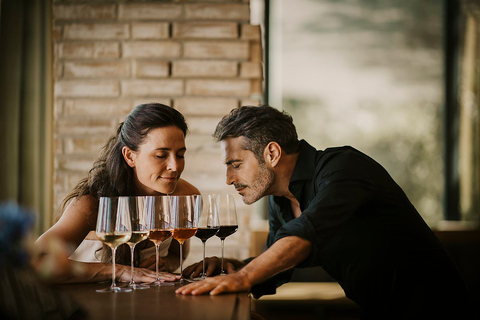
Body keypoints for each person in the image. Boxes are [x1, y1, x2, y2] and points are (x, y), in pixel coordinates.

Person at [177, 105, 473, 318]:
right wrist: (237, 266)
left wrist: (243, 278)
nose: (229, 179)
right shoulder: (280, 199)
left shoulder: (342, 167)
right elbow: (279, 267)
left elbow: (308, 230)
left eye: (236, 164)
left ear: (272, 153)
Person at [35, 103, 199, 284]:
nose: (175, 166)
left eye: (181, 155)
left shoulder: (185, 196)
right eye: (161, 155)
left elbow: (177, 255)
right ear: (130, 156)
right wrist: (118, 271)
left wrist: (165, 263)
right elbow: (36, 262)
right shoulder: (92, 204)